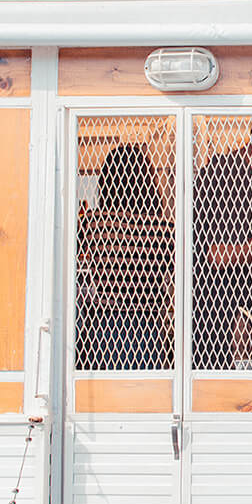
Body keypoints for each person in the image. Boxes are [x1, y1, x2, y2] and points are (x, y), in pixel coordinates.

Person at [190, 114, 252, 369]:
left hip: (231, 313)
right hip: (212, 317)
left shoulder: (248, 176)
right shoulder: (228, 174)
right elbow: (219, 255)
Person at [74, 143, 173, 370]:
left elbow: (76, 257)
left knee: (107, 397)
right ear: (149, 182)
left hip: (104, 327)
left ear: (107, 182)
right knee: (144, 395)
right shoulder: (165, 228)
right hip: (149, 328)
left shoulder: (94, 222)